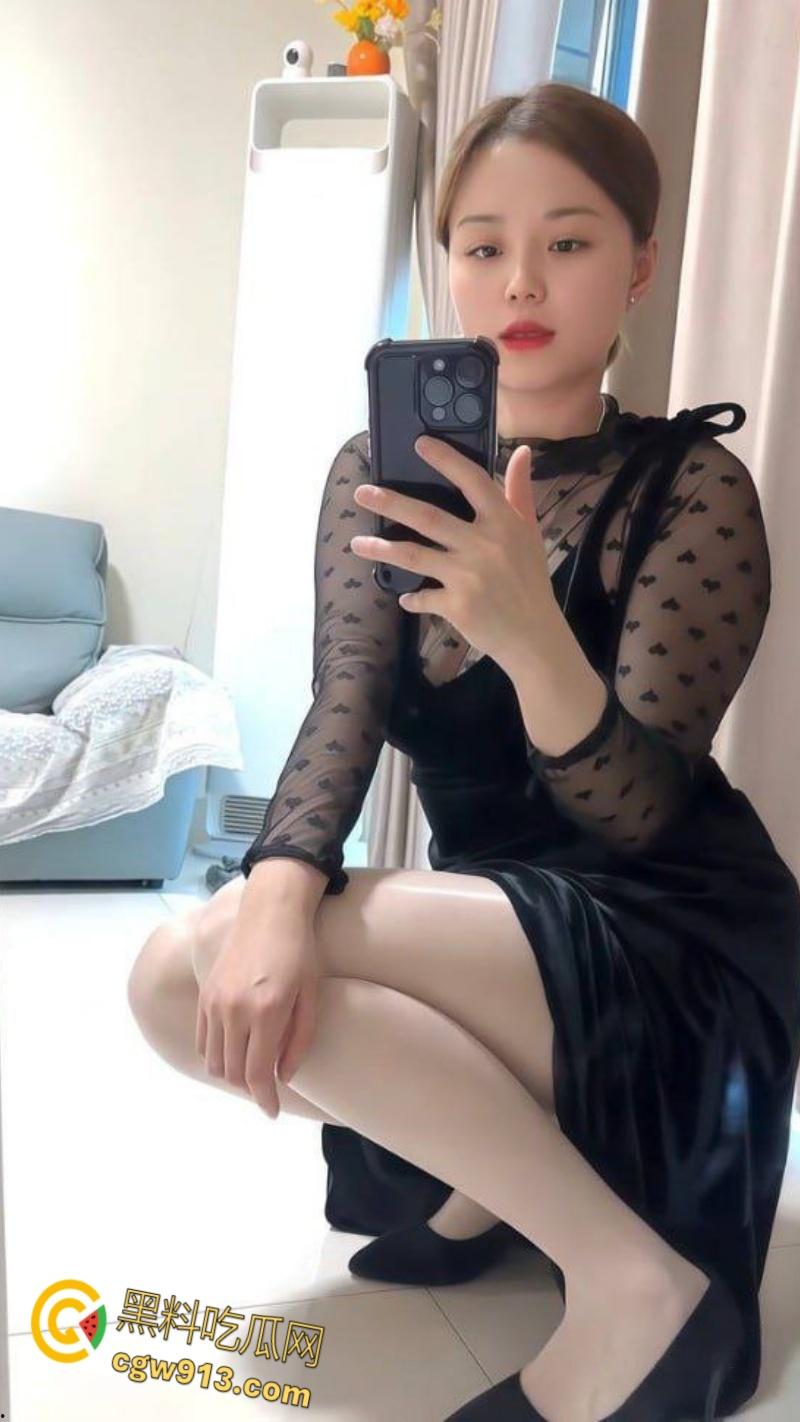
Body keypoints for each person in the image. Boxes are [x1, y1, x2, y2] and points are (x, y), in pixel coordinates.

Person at [127, 82, 800, 1422]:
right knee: (177, 977)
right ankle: (498, 1181)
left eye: (568, 240)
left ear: (639, 265)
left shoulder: (693, 489)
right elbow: (345, 706)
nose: (520, 281)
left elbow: (638, 813)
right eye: (484, 245)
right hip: (506, 931)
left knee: (209, 960)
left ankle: (640, 1289)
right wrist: (277, 892)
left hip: (676, 943)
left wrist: (529, 631)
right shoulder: (377, 474)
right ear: (447, 265)